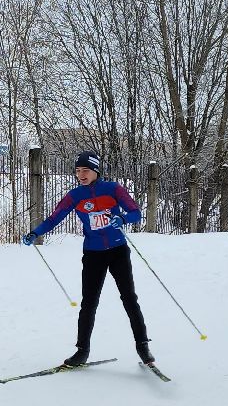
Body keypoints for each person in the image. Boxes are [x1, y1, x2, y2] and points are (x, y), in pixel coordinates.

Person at [23, 151, 154, 366]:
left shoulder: (113, 189)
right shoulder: (75, 196)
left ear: (95, 171)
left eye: (85, 170)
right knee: (89, 303)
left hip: (118, 251)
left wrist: (122, 218)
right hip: (93, 254)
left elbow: (135, 213)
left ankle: (143, 347)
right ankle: (82, 351)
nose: (81, 175)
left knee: (129, 298)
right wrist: (35, 232)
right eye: (77, 171)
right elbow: (54, 218)